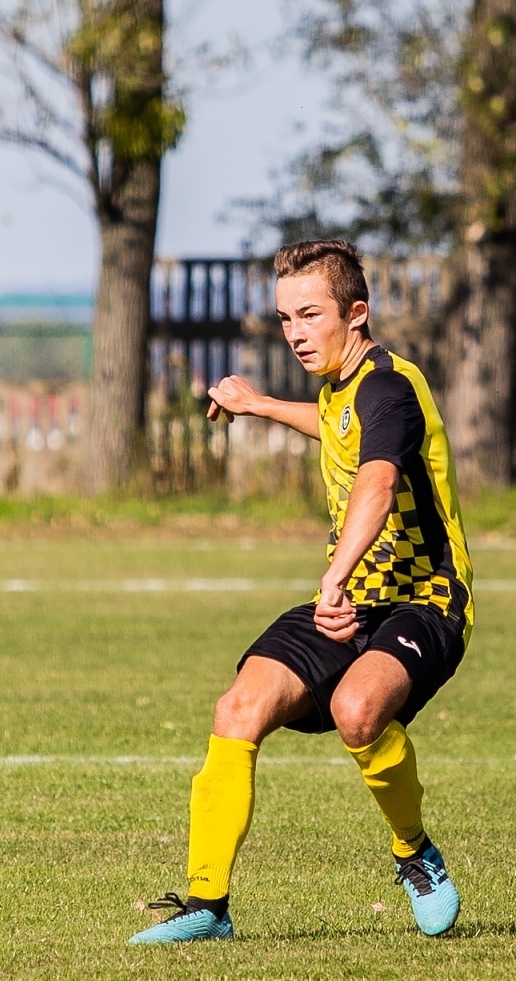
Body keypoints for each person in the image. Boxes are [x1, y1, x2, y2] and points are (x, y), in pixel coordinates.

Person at [130, 239, 473, 944]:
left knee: (357, 710)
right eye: (286, 318)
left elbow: (377, 482)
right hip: (348, 596)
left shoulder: (389, 385)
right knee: (240, 706)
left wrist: (333, 576)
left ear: (357, 312)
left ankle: (415, 851)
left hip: (425, 600)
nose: (295, 332)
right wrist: (258, 404)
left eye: (309, 315)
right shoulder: (345, 388)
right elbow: (336, 428)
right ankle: (207, 903)